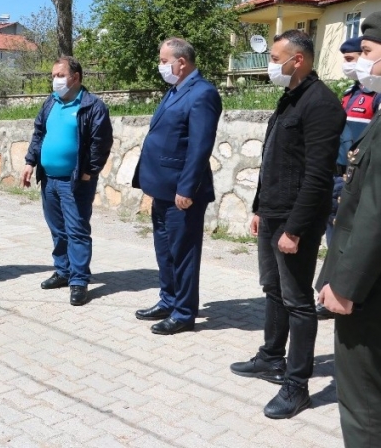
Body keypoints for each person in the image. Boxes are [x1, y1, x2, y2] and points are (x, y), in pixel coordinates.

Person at [230, 29, 345, 419]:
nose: (270, 65)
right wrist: (260, 208)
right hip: (274, 213)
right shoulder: (289, 98)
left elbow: (317, 176)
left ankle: (297, 385)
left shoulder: (322, 104)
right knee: (272, 288)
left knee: (298, 301)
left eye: (275, 57)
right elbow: (273, 160)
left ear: (298, 60)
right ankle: (271, 356)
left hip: (297, 220)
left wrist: (293, 229)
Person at [317, 11, 381, 446]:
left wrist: (342, 285)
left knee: (362, 404)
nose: (361, 60)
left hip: (369, 289)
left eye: (369, 52)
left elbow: (373, 214)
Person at [131, 38, 222, 334]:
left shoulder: (203, 94)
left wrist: (186, 188)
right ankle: (168, 299)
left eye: (163, 60)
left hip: (182, 191)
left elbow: (199, 147)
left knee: (183, 252)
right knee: (165, 250)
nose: (161, 66)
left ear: (181, 62)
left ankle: (183, 313)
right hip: (162, 187)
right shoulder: (176, 90)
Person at [20, 56, 113, 306]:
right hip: (49, 179)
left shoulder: (93, 106)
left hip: (75, 182)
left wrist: (89, 172)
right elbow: (39, 133)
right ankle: (63, 271)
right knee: (58, 229)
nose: (55, 80)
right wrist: (30, 162)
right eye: (53, 75)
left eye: (60, 75)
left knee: (77, 231)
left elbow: (100, 143)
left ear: (76, 77)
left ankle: (79, 280)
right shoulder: (51, 103)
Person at [317, 35, 381, 320]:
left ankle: (344, 290)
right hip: (338, 175)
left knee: (349, 241)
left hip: (354, 179)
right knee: (335, 235)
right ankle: (333, 287)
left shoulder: (375, 96)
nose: (350, 65)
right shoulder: (349, 94)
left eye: (353, 59)